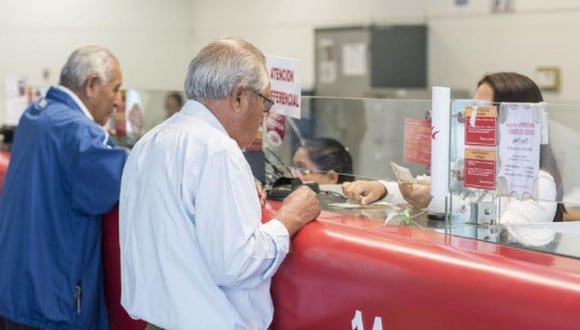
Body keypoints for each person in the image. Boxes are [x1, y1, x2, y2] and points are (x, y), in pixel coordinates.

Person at [119, 37, 320, 330]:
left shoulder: (151, 141)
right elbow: (237, 264)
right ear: (239, 96)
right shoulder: (218, 150)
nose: (264, 118)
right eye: (265, 102)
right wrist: (289, 219)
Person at [0, 45, 129, 329]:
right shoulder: (79, 132)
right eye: (115, 88)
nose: (118, 100)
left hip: (14, 291)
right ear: (92, 84)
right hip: (54, 304)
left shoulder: (36, 115)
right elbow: (130, 178)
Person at [343, 72, 565, 225]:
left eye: (483, 111)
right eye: (472, 110)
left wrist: (438, 202)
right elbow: (426, 187)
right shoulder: (473, 164)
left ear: (517, 120)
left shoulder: (538, 182)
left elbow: (503, 233)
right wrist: (381, 188)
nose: (472, 119)